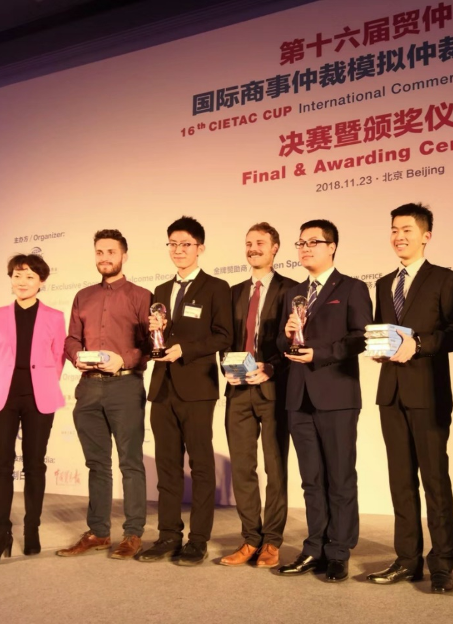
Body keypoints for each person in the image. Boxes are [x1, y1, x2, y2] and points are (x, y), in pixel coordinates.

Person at [367, 204, 453, 593]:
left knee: (435, 480)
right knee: (400, 481)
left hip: (428, 392)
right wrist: (378, 348)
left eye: (407, 229)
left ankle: (442, 563)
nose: (399, 236)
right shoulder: (383, 283)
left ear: (426, 236)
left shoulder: (445, 278)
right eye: (394, 229)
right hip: (390, 393)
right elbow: (382, 331)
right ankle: (407, 559)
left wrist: (419, 344)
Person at [276, 219, 373, 582]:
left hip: (336, 395)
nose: (304, 248)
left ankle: (339, 551)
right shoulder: (293, 293)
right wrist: (287, 336)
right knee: (311, 479)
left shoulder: (351, 288)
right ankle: (313, 547)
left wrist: (320, 354)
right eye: (300, 243)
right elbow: (281, 344)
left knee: (340, 477)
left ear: (332, 247)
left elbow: (360, 337)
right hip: (298, 396)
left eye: (312, 242)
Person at [137, 216, 232, 565]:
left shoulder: (216, 287)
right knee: (167, 467)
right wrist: (155, 331)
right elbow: (157, 339)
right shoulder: (161, 291)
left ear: (200, 248)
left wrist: (185, 350)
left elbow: (224, 336)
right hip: (162, 388)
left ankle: (198, 540)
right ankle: (168, 535)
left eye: (186, 245)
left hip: (197, 388)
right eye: (173, 244)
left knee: (202, 467)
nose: (178, 250)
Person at [57, 230, 151, 560]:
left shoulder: (141, 295)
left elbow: (150, 345)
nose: (104, 257)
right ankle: (98, 532)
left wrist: (123, 360)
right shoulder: (83, 296)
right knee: (97, 464)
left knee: (130, 462)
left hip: (125, 385)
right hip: (88, 387)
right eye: (99, 252)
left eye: (111, 251)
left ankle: (133, 534)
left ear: (124, 255)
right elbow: (71, 338)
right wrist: (77, 356)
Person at [0, 253, 66, 564]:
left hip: (39, 398)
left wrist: (44, 384)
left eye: (29, 276)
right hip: (1, 398)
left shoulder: (55, 317)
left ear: (41, 281)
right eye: (16, 275)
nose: (22, 282)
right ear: (10, 279)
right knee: (0, 467)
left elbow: (58, 358)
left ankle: (32, 529)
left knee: (35, 465)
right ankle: (1, 534)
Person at [219, 223, 296, 568]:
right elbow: (224, 339)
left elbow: (295, 341)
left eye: (260, 242)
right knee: (242, 468)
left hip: (274, 389)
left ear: (275, 247)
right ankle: (250, 538)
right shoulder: (233, 292)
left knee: (275, 468)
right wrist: (225, 366)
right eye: (248, 243)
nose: (253, 248)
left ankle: (272, 541)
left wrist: (272, 367)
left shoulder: (291, 289)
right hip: (237, 390)